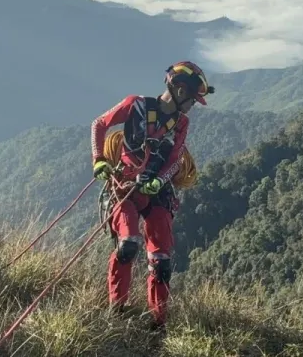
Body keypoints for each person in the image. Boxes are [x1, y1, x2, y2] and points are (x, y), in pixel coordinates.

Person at [89, 60, 215, 331]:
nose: (193, 104)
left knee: (162, 261)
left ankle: (158, 323)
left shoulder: (181, 123)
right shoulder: (135, 105)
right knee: (128, 245)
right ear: (180, 90)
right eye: (192, 98)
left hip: (157, 191)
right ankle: (117, 310)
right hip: (125, 187)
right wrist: (99, 159)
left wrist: (158, 181)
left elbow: (175, 157)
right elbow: (99, 124)